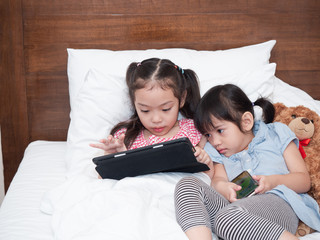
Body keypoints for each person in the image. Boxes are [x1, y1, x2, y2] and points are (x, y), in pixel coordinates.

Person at [174, 84, 320, 240]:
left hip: (279, 204)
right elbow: (218, 181)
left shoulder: (275, 133)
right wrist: (225, 188)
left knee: (226, 219)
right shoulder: (217, 151)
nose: (214, 141)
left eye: (220, 131)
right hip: (235, 211)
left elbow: (304, 181)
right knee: (187, 185)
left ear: (246, 121)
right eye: (208, 135)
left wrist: (272, 182)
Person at [90, 58, 214, 177]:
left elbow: (212, 179)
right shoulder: (126, 138)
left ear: (181, 99)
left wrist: (205, 161)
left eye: (165, 109)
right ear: (134, 103)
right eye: (145, 110)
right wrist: (113, 156)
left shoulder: (195, 129)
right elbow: (104, 182)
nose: (156, 119)